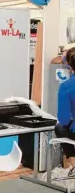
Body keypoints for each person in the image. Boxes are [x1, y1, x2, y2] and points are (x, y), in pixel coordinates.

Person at [54, 47, 75, 176]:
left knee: (59, 127)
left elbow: (64, 119)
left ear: (68, 65)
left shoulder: (66, 86)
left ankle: (73, 164)